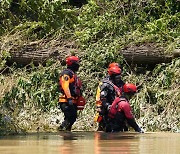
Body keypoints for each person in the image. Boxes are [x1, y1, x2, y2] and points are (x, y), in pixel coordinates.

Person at [58, 56, 85, 131]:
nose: (78, 65)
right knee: (71, 117)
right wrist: (69, 98)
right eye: (77, 63)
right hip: (66, 101)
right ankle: (61, 130)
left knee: (71, 118)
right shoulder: (67, 74)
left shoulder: (72, 74)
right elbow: (65, 87)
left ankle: (66, 134)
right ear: (72, 64)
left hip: (72, 101)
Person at [95, 64, 125, 132]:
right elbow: (102, 98)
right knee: (106, 127)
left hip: (118, 108)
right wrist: (106, 106)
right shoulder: (105, 84)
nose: (118, 78)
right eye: (117, 77)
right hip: (107, 108)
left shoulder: (121, 83)